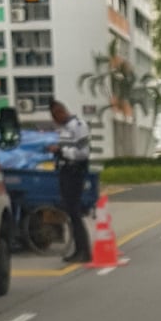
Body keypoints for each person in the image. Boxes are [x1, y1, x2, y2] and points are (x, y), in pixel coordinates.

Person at [48, 100, 93, 263]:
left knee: (74, 212)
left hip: (75, 172)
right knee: (70, 213)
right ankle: (78, 250)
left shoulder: (78, 126)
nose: (54, 120)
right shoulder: (65, 129)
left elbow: (83, 153)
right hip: (66, 172)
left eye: (55, 116)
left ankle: (84, 251)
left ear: (61, 112)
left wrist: (61, 150)